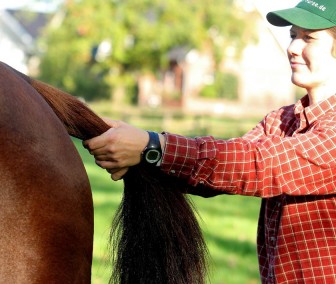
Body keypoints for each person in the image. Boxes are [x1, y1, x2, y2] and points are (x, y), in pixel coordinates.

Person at [83, 0, 336, 282]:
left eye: (308, 37)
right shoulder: (282, 120)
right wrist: (141, 156)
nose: (292, 47)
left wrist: (152, 145)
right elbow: (218, 172)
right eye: (292, 35)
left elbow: (257, 165)